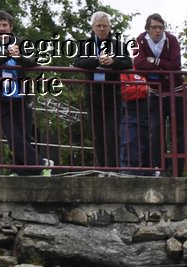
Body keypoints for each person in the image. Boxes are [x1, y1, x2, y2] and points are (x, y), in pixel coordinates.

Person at [0, 10, 42, 173]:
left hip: (22, 95)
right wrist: (7, 54)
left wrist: (19, 56)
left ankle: (22, 172)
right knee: (12, 136)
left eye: (4, 25)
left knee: (25, 136)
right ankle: (41, 164)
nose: (1, 28)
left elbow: (33, 62)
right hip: (2, 96)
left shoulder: (20, 41)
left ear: (10, 27)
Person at [73, 12, 131, 172]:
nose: (102, 28)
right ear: (93, 27)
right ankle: (101, 169)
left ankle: (113, 170)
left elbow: (128, 63)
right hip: (93, 95)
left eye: (105, 26)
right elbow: (77, 61)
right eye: (99, 26)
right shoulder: (86, 44)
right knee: (98, 136)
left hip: (113, 95)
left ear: (110, 27)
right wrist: (96, 60)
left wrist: (113, 61)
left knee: (113, 135)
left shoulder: (118, 45)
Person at [132, 14, 185, 176]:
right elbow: (138, 64)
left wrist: (154, 62)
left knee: (178, 132)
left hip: (176, 92)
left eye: (160, 27)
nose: (157, 30)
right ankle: (160, 167)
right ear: (147, 28)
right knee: (156, 131)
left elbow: (175, 65)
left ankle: (177, 170)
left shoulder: (172, 40)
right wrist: (163, 66)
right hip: (155, 93)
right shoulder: (140, 40)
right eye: (154, 27)